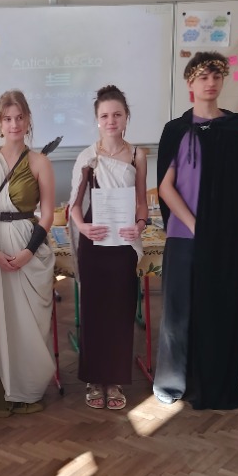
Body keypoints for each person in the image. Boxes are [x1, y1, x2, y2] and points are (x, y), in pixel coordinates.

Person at [154, 51, 238, 410]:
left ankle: (213, 381)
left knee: (217, 310)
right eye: (202, 77)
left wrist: (219, 233)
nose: (210, 83)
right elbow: (166, 187)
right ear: (190, 83)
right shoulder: (176, 130)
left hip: (223, 241)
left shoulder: (236, 128)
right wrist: (197, 226)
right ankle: (172, 383)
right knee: (178, 313)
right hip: (185, 236)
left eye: (216, 76)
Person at [0, 90, 56, 417]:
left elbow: (48, 214)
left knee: (23, 321)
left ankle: (23, 387)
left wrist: (28, 252)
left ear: (28, 120)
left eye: (19, 117)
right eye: (7, 118)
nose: (14, 124)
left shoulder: (40, 162)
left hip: (24, 245)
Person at [68, 85, 148, 410]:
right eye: (104, 116)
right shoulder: (88, 156)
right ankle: (93, 379)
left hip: (123, 243)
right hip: (96, 240)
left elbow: (141, 202)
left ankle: (114, 380)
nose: (111, 121)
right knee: (94, 312)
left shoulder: (137, 155)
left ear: (126, 117)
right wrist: (83, 227)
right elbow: (74, 205)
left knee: (120, 311)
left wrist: (140, 225)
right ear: (97, 120)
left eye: (117, 114)